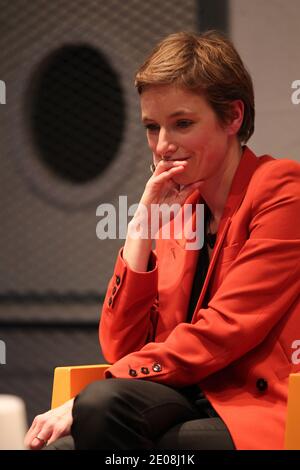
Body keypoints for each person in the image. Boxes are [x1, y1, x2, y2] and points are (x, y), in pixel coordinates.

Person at [25, 30, 300, 451]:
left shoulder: (283, 192)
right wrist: (141, 228)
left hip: (259, 409)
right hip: (190, 399)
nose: (164, 146)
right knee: (70, 439)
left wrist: (90, 396)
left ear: (233, 118)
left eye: (183, 123)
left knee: (99, 406)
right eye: (153, 127)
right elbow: (123, 347)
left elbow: (222, 332)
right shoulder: (178, 214)